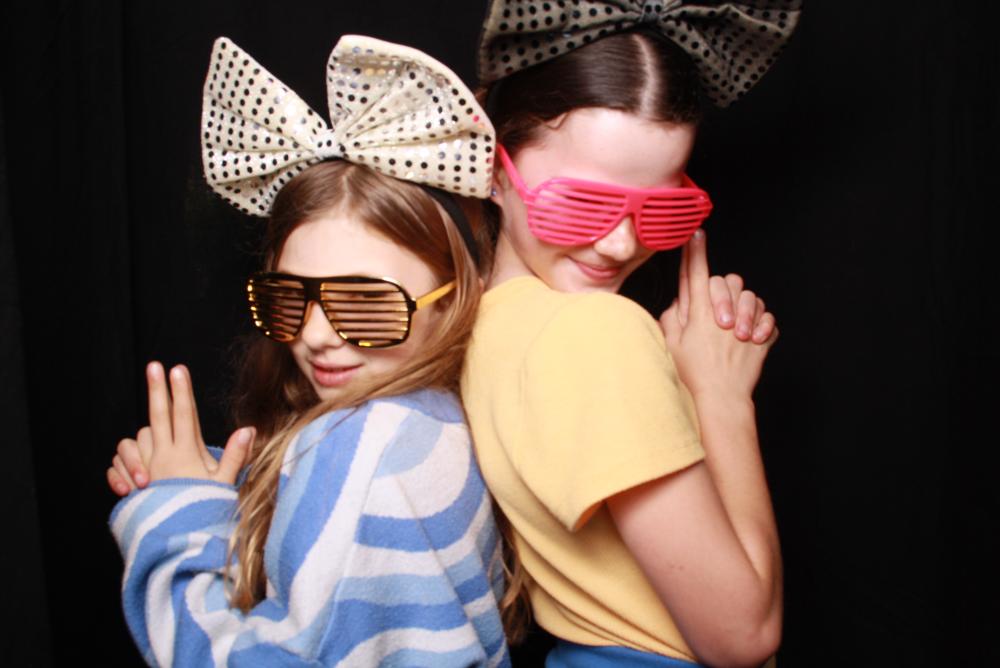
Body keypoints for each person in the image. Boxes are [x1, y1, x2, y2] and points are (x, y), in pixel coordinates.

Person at [106, 35, 510, 667]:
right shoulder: (437, 423)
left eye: (366, 303)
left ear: (456, 297)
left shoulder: (365, 446)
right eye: (288, 298)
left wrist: (174, 519)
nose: (315, 335)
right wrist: (207, 486)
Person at [462, 2, 801, 666]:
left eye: (662, 210)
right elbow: (743, 639)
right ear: (498, 173)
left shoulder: (472, 323)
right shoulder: (599, 332)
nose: (621, 244)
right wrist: (722, 396)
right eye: (582, 203)